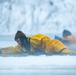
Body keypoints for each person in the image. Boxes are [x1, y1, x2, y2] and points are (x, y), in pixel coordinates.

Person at [1, 30, 76, 55]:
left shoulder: (34, 39)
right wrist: (2, 51)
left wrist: (47, 51)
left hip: (54, 45)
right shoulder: (22, 47)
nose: (17, 43)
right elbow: (13, 49)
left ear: (22, 39)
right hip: (49, 51)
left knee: (67, 52)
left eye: (18, 40)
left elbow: (45, 39)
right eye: (16, 41)